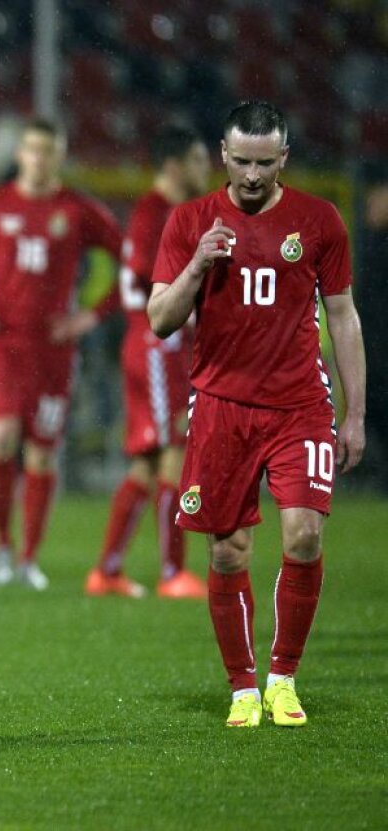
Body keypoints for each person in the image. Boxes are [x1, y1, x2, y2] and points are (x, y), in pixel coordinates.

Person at [148, 100, 365, 728]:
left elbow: (344, 315)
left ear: (284, 159)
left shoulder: (319, 220)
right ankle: (243, 686)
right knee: (227, 552)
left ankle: (282, 678)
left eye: (264, 163)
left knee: (304, 534)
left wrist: (354, 414)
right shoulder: (190, 221)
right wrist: (197, 265)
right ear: (222, 154)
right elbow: (160, 320)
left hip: (300, 405)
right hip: (220, 406)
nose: (250, 174)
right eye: (240, 160)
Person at [0, 118, 122, 590]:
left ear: (59, 157)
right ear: (20, 155)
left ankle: (28, 558)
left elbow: (132, 261)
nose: (39, 160)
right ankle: (1, 546)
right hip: (2, 344)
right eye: (33, 150)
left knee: (42, 453)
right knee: (1, 437)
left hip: (54, 349)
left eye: (49, 151)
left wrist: (90, 316)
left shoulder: (78, 211)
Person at [85, 124, 212, 599]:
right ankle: (171, 573)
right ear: (175, 166)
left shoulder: (171, 212)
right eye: (200, 160)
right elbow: (140, 277)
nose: (207, 169)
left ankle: (108, 570)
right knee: (174, 454)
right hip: (158, 344)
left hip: (159, 344)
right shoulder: (153, 214)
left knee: (147, 462)